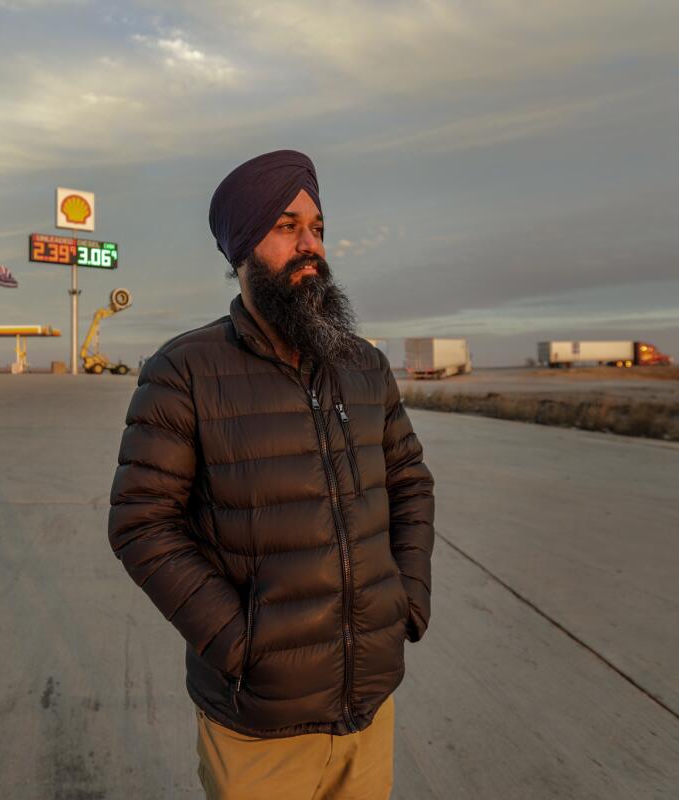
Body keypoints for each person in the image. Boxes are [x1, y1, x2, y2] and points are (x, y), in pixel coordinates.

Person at [108, 150, 435, 799]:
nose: (310, 245)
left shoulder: (362, 365)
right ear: (241, 249)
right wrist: (241, 646)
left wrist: (409, 599)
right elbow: (142, 524)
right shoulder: (185, 371)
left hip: (369, 710)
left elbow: (409, 481)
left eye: (316, 228)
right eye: (287, 227)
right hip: (259, 731)